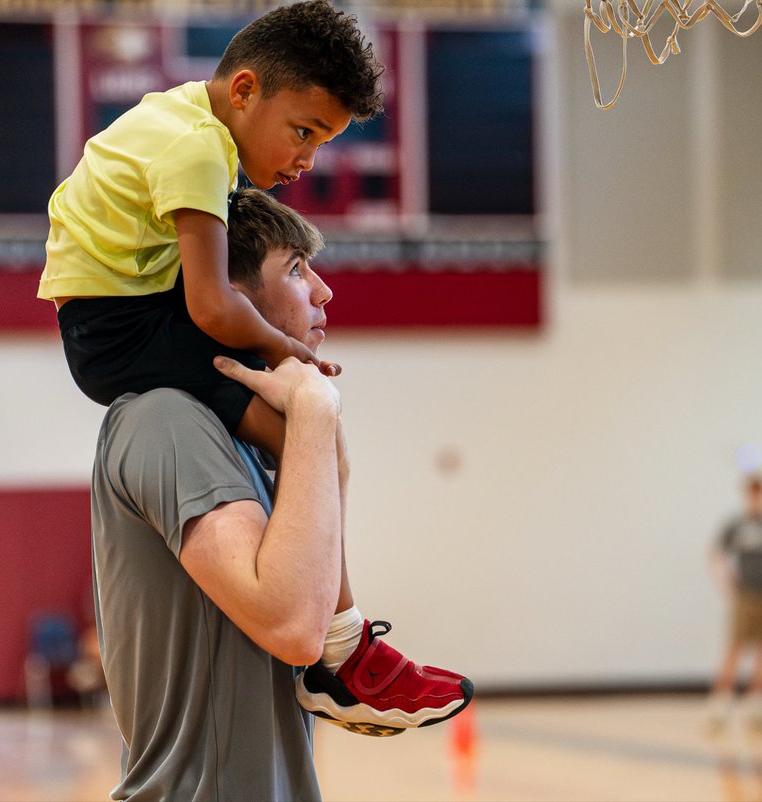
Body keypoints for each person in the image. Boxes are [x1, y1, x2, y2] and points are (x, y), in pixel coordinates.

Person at [39, 0, 469, 732]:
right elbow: (210, 307)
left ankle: (343, 644)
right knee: (309, 434)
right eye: (303, 132)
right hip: (119, 329)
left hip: (112, 316)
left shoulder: (180, 118)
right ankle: (342, 655)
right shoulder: (200, 148)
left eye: (323, 143)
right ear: (244, 91)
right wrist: (290, 352)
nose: (307, 160)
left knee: (311, 438)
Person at [91, 189, 472, 799]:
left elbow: (309, 613)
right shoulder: (167, 420)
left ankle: (350, 655)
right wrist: (318, 410)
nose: (324, 291)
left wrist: (321, 438)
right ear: (229, 297)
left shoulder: (243, 432)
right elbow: (294, 626)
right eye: (296, 269)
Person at [706, 474, 762, 734]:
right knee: (735, 648)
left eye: (760, 494)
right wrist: (727, 582)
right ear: (746, 496)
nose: (756, 499)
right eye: (752, 494)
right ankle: (720, 706)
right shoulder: (736, 525)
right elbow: (715, 553)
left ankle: (757, 708)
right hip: (746, 595)